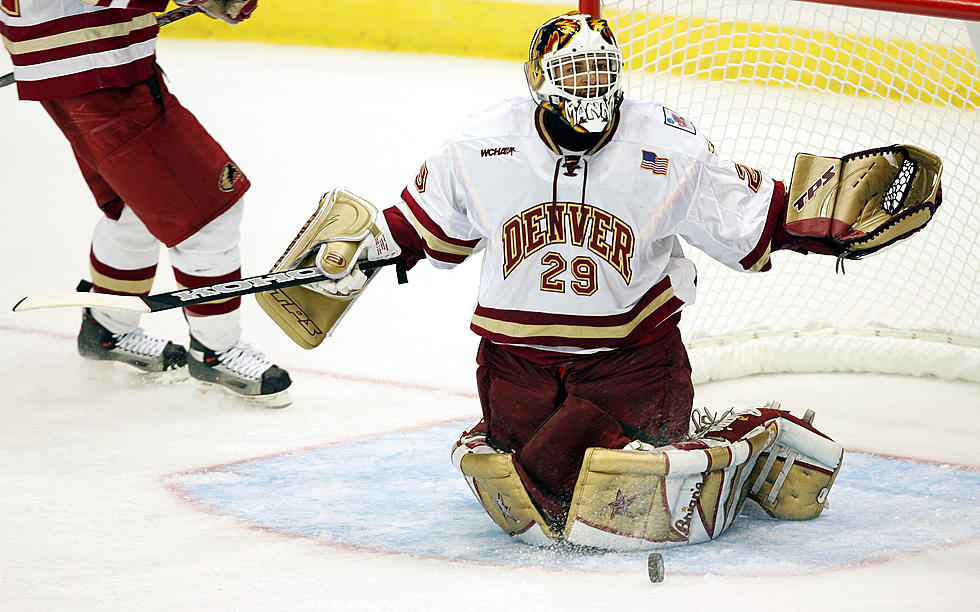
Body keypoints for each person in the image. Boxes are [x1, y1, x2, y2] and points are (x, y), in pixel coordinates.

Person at [261, 12, 941, 547]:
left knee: (633, 510)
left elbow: (751, 217)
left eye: (600, 70)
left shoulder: (668, 144)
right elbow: (417, 228)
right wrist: (358, 252)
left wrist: (822, 223)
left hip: (633, 365)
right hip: (515, 366)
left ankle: (752, 438)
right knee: (535, 506)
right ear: (540, 78)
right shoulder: (480, 145)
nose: (589, 86)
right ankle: (682, 453)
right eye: (574, 71)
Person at [0, 0, 291, 407]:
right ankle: (216, 351)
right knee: (208, 212)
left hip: (82, 63)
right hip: (96, 67)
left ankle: (109, 328)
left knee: (136, 206)